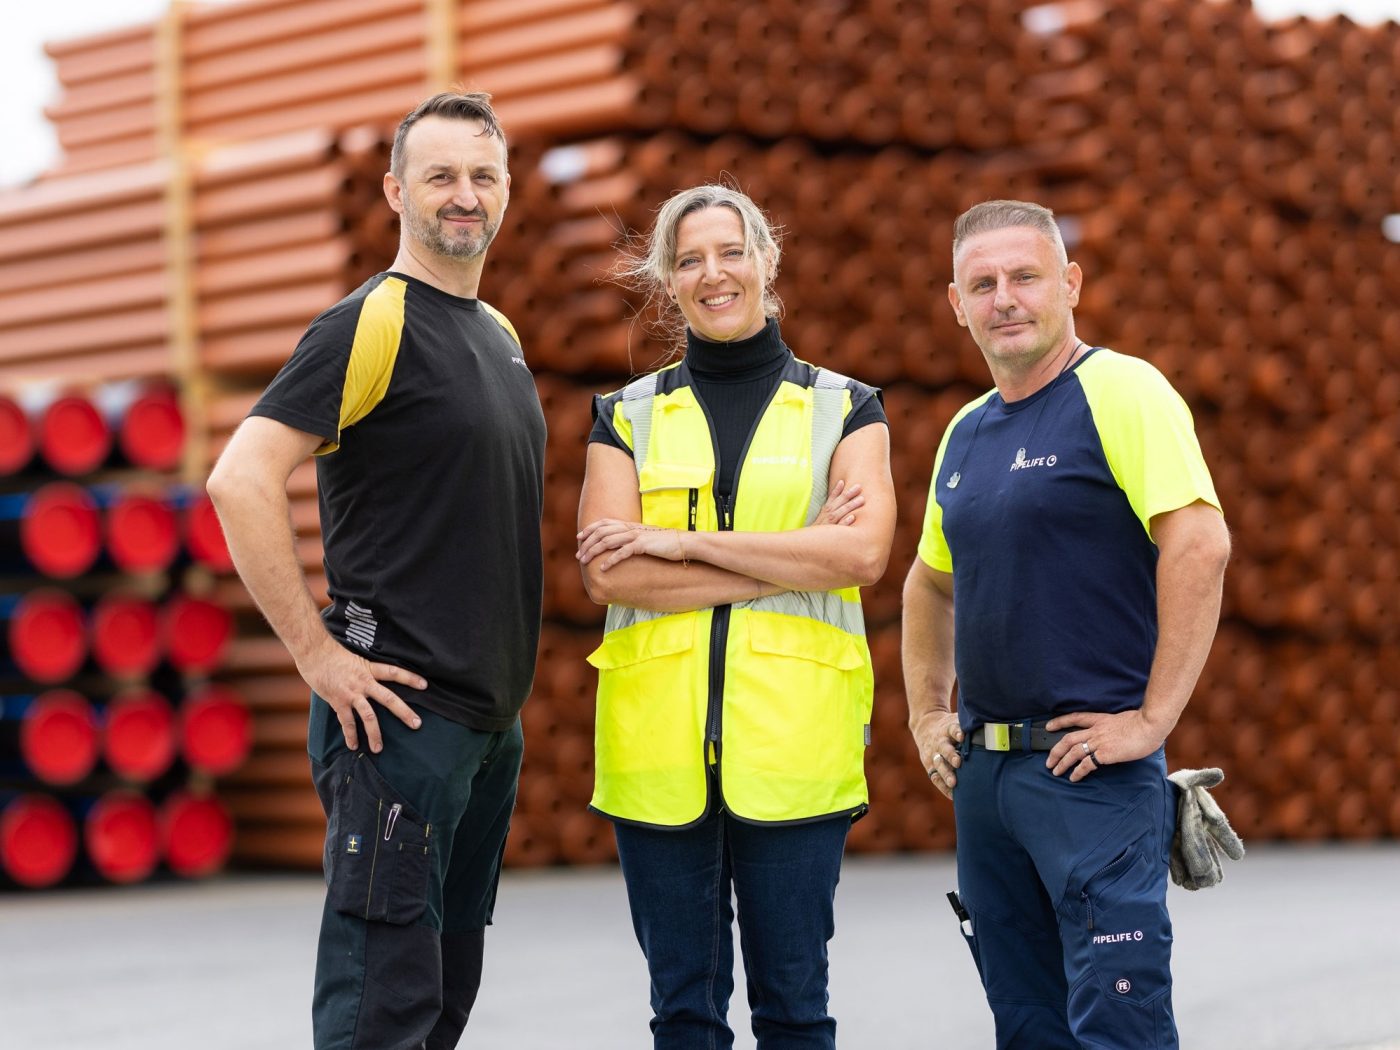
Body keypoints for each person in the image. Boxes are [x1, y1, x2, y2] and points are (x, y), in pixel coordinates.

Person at [206, 92, 544, 1050]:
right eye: (440, 175)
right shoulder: (370, 323)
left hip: (485, 730)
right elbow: (240, 480)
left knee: (439, 1005)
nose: (465, 195)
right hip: (398, 723)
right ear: (397, 190)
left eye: (483, 175)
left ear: (507, 191)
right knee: (378, 1012)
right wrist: (317, 655)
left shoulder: (501, 338)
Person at [902, 199, 1231, 1048]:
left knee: (1116, 1021)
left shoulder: (1121, 390)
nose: (1004, 298)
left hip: (1090, 774)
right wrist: (927, 711)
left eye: (1024, 277)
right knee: (1027, 1022)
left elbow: (1199, 544)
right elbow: (929, 585)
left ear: (1070, 283)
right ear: (955, 303)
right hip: (988, 782)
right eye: (983, 284)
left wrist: (1152, 721)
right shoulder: (966, 431)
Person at [575, 184, 896, 1049]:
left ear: (766, 262)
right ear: (666, 280)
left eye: (730, 252)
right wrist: (789, 553)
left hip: (795, 747)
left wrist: (678, 547)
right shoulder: (624, 417)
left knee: (795, 1011)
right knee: (683, 1013)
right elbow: (610, 575)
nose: (713, 274)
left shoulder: (846, 407)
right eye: (688, 259)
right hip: (656, 753)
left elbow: (861, 556)